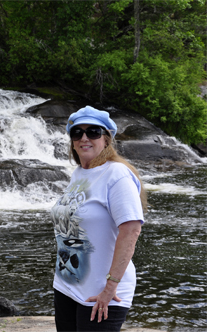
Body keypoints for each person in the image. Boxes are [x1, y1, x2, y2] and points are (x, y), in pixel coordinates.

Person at [50, 106, 147, 331]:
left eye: (93, 132)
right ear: (72, 140)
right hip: (67, 287)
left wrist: (110, 288)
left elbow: (131, 231)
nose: (84, 138)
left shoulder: (117, 174)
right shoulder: (79, 173)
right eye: (77, 133)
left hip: (101, 293)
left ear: (106, 139)